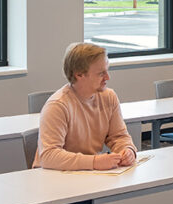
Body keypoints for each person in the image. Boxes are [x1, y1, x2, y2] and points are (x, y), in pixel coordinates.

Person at [34, 42, 137, 171]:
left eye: (107, 71)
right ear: (79, 75)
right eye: (101, 73)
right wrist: (94, 162)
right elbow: (49, 156)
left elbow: (119, 136)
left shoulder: (109, 97)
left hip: (86, 173)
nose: (107, 77)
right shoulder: (58, 106)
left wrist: (127, 150)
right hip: (53, 175)